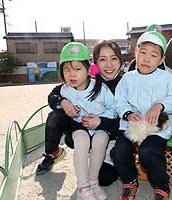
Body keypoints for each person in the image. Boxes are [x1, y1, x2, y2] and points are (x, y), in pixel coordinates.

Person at [36, 40, 124, 187]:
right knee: (55, 116)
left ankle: (97, 156)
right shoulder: (84, 78)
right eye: (102, 59)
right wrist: (63, 102)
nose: (109, 65)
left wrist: (101, 122)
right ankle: (52, 153)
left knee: (105, 178)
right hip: (79, 131)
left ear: (121, 61)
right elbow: (54, 94)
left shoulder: (126, 85)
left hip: (108, 134)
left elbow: (124, 123)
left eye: (114, 58)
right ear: (94, 64)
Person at [111, 31, 172, 200]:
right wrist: (127, 113)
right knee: (118, 151)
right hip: (132, 126)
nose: (146, 59)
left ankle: (161, 184)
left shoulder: (166, 78)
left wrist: (160, 105)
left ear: (161, 60)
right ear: (136, 53)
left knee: (148, 151)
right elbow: (119, 100)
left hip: (156, 128)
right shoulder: (127, 79)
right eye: (143, 53)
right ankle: (129, 181)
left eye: (153, 55)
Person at [57, 42, 118, 199]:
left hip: (100, 126)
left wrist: (101, 121)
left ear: (89, 70)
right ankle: (83, 187)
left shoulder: (100, 88)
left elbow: (113, 109)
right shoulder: (64, 90)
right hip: (79, 127)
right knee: (82, 141)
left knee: (101, 140)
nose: (72, 74)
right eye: (66, 70)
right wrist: (63, 102)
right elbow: (52, 97)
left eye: (78, 69)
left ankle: (93, 181)